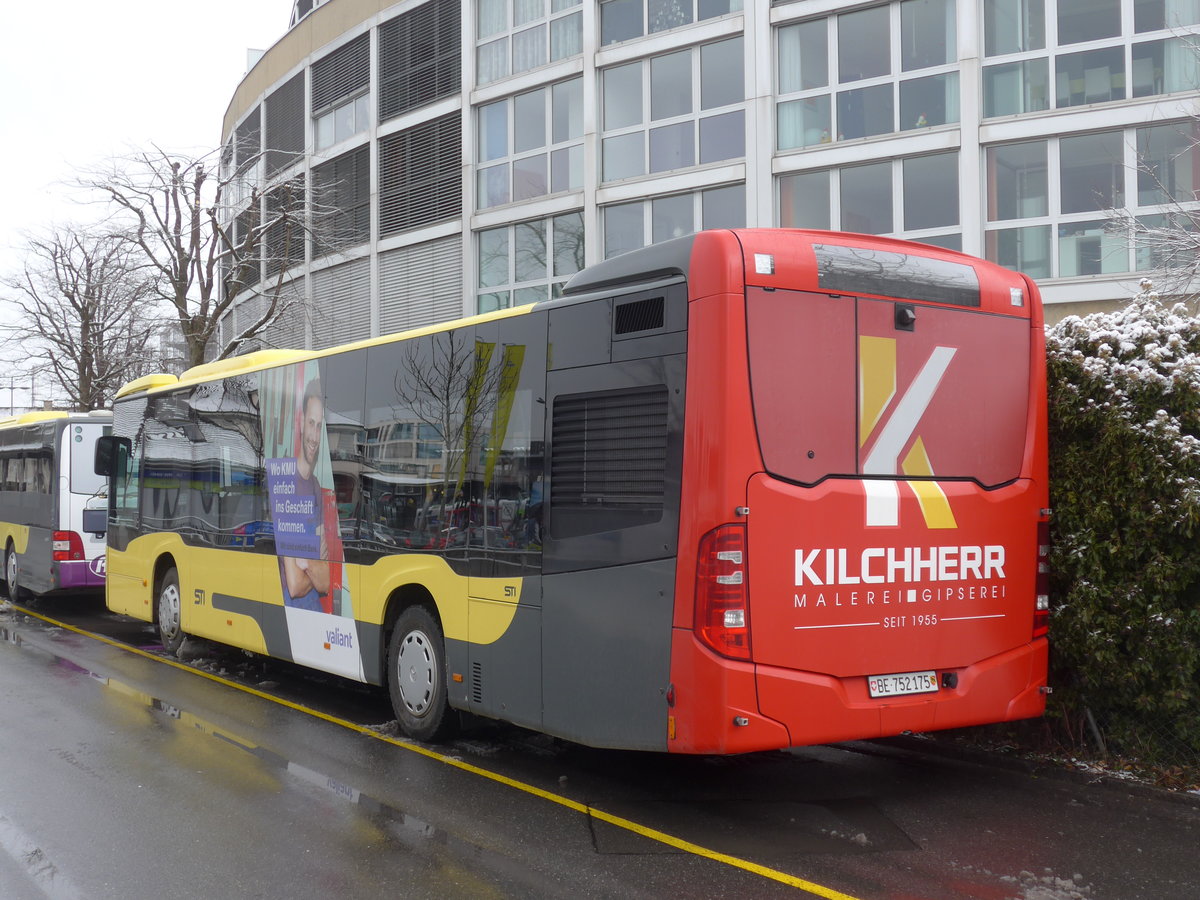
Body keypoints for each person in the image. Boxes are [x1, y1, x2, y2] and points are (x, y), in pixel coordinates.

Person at [281, 378, 332, 611]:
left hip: (312, 609)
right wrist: (313, 562)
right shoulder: (285, 480)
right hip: (292, 611)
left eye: (320, 426)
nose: (314, 435)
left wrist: (304, 561)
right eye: (311, 423)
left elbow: (324, 582)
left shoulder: (315, 487)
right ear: (301, 423)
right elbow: (294, 585)